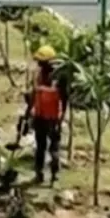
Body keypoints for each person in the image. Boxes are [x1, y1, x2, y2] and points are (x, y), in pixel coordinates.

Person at [28, 45, 66, 185]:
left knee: (52, 148)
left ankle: (54, 175)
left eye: (41, 61)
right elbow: (34, 95)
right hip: (41, 116)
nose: (39, 64)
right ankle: (40, 174)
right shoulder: (40, 76)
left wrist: (61, 117)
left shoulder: (58, 78)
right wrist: (29, 114)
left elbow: (64, 98)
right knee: (41, 147)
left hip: (52, 117)